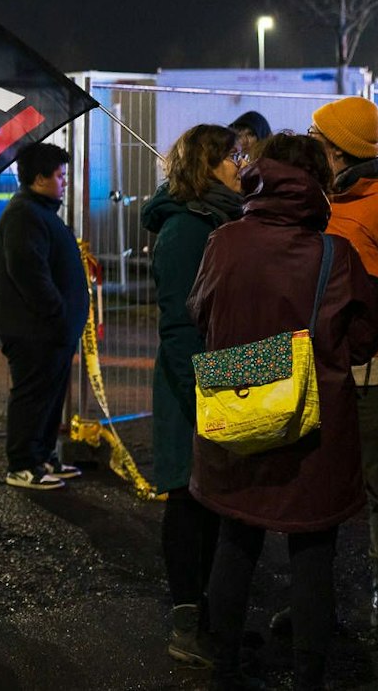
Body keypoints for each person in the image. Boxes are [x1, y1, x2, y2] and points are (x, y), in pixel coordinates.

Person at [188, 133, 378, 691]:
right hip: (314, 421)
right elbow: (365, 336)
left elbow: (200, 313)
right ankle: (308, 677)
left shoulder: (224, 241)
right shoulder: (333, 253)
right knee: (312, 551)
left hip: (238, 406)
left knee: (235, 539)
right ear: (318, 188)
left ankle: (225, 668)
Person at [309, 95, 378, 644]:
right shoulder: (320, 200)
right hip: (323, 368)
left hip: (377, 372)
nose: (310, 146)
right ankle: (315, 603)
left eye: (317, 140)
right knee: (318, 486)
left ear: (339, 150)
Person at [139, 123, 245, 666]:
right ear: (205, 166)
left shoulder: (219, 217)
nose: (240, 163)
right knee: (187, 501)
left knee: (212, 504)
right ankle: (186, 622)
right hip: (195, 386)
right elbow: (180, 328)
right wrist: (205, 395)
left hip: (216, 377)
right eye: (231, 155)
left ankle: (209, 614)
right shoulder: (186, 228)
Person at [0, 142, 89, 490]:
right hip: (34, 329)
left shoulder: (40, 212)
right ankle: (22, 464)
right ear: (39, 178)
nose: (63, 181)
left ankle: (43, 457)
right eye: (59, 175)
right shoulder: (24, 214)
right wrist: (58, 313)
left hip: (51, 330)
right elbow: (29, 272)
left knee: (49, 396)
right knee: (32, 396)